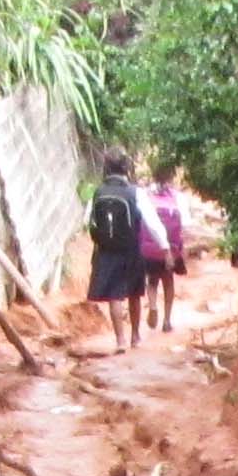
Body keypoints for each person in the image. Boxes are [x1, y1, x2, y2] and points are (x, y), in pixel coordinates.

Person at [85, 149, 152, 353]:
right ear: (126, 167)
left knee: (115, 296)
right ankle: (135, 336)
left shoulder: (98, 192)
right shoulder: (135, 192)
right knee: (134, 294)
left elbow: (88, 221)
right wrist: (165, 247)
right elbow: (151, 222)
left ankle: (120, 340)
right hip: (131, 249)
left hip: (106, 250)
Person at [143, 167, 192, 332]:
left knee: (151, 281)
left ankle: (152, 306)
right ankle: (167, 320)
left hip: (151, 247)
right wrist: (183, 248)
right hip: (171, 247)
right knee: (168, 281)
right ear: (171, 177)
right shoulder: (178, 197)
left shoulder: (146, 194)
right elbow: (185, 225)